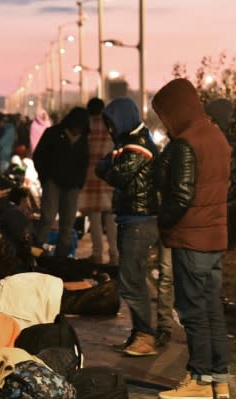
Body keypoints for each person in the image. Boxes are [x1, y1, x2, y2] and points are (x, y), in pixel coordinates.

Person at [151, 78, 232, 399]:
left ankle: (199, 379)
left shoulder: (187, 143)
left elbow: (181, 195)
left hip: (191, 236)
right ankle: (218, 377)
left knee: (192, 310)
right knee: (212, 308)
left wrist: (163, 222)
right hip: (214, 236)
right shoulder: (216, 136)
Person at [98, 97, 159, 356]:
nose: (110, 130)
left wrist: (111, 162)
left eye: (112, 124)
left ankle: (145, 336)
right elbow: (103, 167)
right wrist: (111, 161)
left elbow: (115, 174)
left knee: (131, 279)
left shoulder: (138, 146)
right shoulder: (127, 144)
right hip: (130, 217)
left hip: (139, 218)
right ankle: (139, 333)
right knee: (131, 277)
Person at [32, 107, 90, 258]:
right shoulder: (53, 133)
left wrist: (79, 183)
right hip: (53, 182)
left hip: (73, 186)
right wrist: (45, 178)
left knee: (67, 224)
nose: (78, 130)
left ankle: (62, 258)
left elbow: (85, 163)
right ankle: (34, 252)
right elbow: (39, 156)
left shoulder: (84, 138)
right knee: (47, 218)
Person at [79, 97, 118, 265]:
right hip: (109, 177)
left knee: (94, 219)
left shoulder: (85, 126)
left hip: (90, 177)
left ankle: (97, 255)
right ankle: (115, 255)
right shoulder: (111, 126)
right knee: (111, 219)